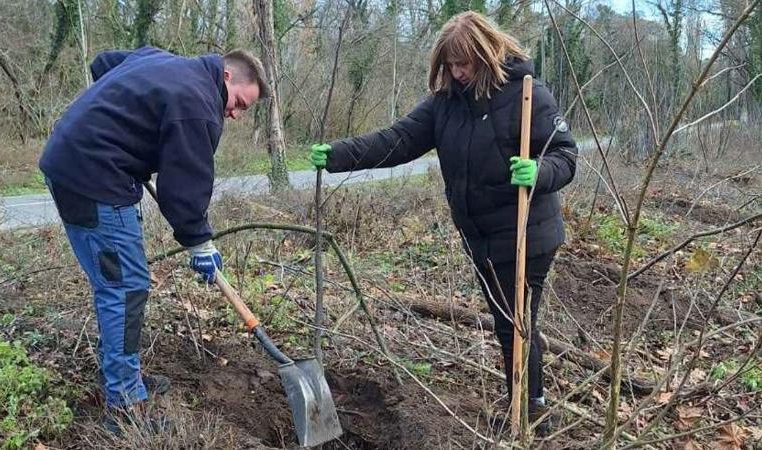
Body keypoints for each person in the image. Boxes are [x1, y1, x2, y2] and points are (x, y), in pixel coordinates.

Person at [309, 11, 576, 434]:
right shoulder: (445, 105)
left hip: (528, 232)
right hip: (481, 236)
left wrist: (537, 172)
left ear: (485, 55)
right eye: (450, 64)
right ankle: (530, 402)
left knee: (514, 323)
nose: (458, 72)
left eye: (464, 63)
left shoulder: (528, 95)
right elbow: (396, 140)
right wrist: (340, 155)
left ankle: (530, 411)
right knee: (514, 322)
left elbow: (565, 156)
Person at [39, 46, 268, 432]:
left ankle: (119, 377)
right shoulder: (197, 103)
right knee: (125, 288)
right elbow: (184, 187)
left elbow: (103, 64)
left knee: (119, 286)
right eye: (239, 103)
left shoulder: (163, 61)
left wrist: (126, 123)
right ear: (227, 77)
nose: (235, 114)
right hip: (95, 179)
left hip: (70, 163)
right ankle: (124, 404)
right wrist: (200, 243)